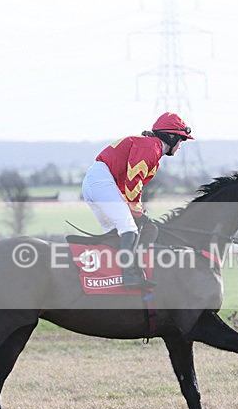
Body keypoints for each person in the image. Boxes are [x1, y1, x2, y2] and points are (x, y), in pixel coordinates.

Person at [82, 112, 193, 288]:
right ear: (171, 137)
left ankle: (109, 279)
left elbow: (127, 185)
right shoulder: (152, 147)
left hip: (97, 182)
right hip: (101, 182)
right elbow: (133, 181)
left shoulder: (150, 147)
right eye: (181, 140)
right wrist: (137, 211)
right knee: (129, 228)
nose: (180, 146)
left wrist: (136, 210)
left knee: (117, 233)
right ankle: (129, 276)